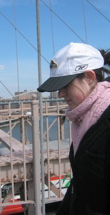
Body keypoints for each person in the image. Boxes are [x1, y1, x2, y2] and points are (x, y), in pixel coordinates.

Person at [37, 42, 110, 215]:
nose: (60, 94)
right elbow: (80, 188)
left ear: (89, 77)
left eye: (65, 85)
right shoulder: (84, 120)